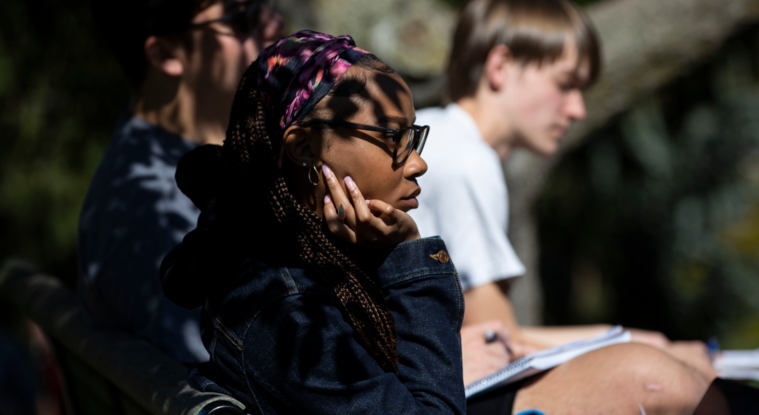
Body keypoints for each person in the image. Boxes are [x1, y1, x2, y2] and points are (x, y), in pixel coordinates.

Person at [410, 0, 720, 412]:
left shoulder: (444, 138)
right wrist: (641, 342)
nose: (577, 109)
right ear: (500, 66)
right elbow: (496, 335)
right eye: (566, 84)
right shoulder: (467, 160)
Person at [161, 31, 466, 414]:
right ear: (304, 147)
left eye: (412, 136)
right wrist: (406, 256)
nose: (418, 163)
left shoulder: (303, 267)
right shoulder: (288, 317)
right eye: (392, 137)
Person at [77, 0, 283, 364]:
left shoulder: (186, 166)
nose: (272, 25)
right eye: (241, 18)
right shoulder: (152, 217)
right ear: (166, 53)